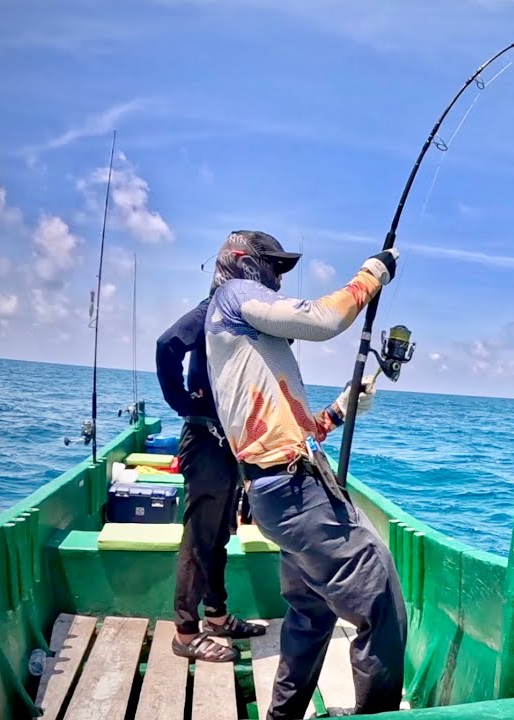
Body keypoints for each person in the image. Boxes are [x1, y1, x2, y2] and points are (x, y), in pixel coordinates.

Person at [203, 230, 407, 719]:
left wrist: (341, 408)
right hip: (296, 494)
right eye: (272, 268)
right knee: (380, 604)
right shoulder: (233, 295)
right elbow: (323, 319)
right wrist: (371, 275)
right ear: (242, 262)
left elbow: (297, 433)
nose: (277, 280)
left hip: (281, 491)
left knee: (311, 615)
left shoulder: (251, 349)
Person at [156, 289, 266, 663]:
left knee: (219, 536)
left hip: (228, 441)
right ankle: (186, 634)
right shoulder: (211, 309)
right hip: (205, 439)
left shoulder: (246, 319)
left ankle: (216, 618)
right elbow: (167, 343)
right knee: (199, 538)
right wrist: (183, 402)